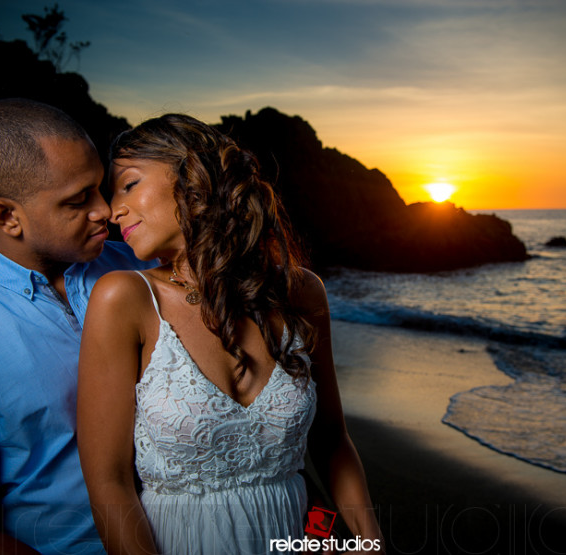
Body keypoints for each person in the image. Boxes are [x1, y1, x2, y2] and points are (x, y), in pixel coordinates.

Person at [77, 114, 385, 554]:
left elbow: (332, 442)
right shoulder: (124, 299)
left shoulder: (302, 293)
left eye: (127, 184)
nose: (112, 210)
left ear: (193, 176)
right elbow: (110, 482)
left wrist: (370, 547)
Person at [0, 98, 154, 555]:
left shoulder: (143, 263)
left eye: (101, 188)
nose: (107, 210)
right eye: (78, 200)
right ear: (7, 217)